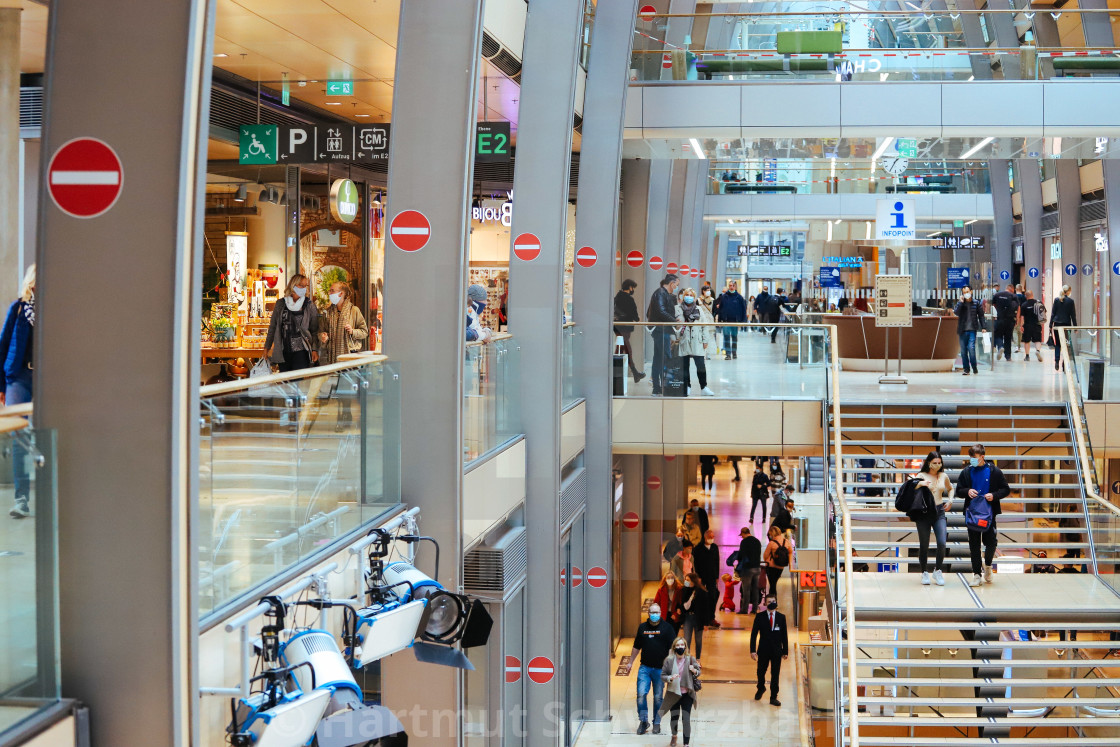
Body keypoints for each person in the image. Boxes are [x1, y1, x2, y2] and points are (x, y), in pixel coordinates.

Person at [1, 265, 35, 518]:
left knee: (50, 432)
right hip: (19, 376)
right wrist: (1, 386)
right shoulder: (19, 308)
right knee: (19, 434)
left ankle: (52, 495)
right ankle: (21, 499)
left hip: (49, 377)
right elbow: (3, 347)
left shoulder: (60, 309)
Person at [955, 444, 1010, 587]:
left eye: (974, 458)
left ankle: (988, 565)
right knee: (974, 545)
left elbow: (1005, 489)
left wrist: (994, 495)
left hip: (989, 513)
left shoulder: (994, 471)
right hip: (972, 513)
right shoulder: (966, 472)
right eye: (970, 458)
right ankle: (976, 574)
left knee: (991, 542)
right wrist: (967, 491)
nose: (972, 460)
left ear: (982, 457)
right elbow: (959, 491)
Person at [318, 281, 369, 428]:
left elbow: (364, 332)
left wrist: (353, 331)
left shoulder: (354, 311)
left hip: (349, 356)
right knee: (339, 389)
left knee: (346, 388)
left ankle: (345, 415)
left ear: (341, 293)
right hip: (334, 356)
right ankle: (343, 415)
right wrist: (323, 336)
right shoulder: (328, 312)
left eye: (332, 290)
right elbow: (321, 331)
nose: (329, 292)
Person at [629, 603, 676, 735]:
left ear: (660, 612)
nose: (655, 614)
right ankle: (644, 721)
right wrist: (630, 662)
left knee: (658, 697)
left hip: (660, 669)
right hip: (645, 668)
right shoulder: (642, 627)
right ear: (648, 613)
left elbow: (671, 649)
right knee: (641, 694)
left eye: (657, 612)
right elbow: (636, 646)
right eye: (652, 612)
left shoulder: (667, 628)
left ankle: (657, 722)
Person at [913, 450, 953, 586]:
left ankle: (938, 570)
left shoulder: (943, 476)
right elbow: (911, 488)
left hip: (939, 511)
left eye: (939, 463)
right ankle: (924, 571)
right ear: (929, 463)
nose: (937, 465)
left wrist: (950, 500)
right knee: (924, 544)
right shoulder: (921, 475)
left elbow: (951, 488)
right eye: (935, 463)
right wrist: (920, 484)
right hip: (924, 513)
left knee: (942, 542)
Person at [265, 273, 320, 372]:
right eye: (301, 286)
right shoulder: (281, 304)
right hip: (283, 351)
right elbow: (273, 327)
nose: (304, 288)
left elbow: (314, 330)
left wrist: (315, 349)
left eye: (305, 286)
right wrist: (266, 347)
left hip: (301, 352)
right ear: (293, 285)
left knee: (297, 383)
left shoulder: (309, 305)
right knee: (285, 383)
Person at [658, 637, 701, 746]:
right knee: (674, 717)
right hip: (674, 694)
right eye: (678, 645)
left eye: (682, 645)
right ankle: (674, 736)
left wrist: (694, 670)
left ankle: (686, 743)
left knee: (686, 718)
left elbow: (698, 672)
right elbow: (663, 676)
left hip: (687, 694)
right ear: (674, 647)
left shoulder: (690, 659)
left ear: (685, 647)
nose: (680, 647)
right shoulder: (669, 660)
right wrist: (670, 678)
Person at [675, 287, 716, 396]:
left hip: (697, 341)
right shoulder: (678, 308)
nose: (689, 297)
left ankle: (704, 387)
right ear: (684, 297)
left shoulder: (699, 308)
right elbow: (674, 325)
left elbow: (704, 325)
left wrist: (705, 340)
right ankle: (687, 386)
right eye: (687, 295)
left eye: (691, 295)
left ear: (694, 297)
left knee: (701, 365)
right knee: (684, 365)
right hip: (684, 340)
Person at [750, 594, 789, 706]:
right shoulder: (759, 616)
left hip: (777, 650)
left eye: (773, 601)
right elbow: (753, 635)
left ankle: (773, 697)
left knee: (775, 674)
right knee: (760, 672)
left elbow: (784, 635)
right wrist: (753, 650)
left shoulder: (781, 617)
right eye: (769, 601)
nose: (771, 603)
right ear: (765, 604)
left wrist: (785, 651)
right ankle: (761, 687)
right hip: (763, 649)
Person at [647, 274, 680, 395]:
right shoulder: (661, 293)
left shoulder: (663, 294)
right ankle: (664, 387)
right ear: (672, 283)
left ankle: (657, 388)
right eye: (676, 284)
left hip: (661, 330)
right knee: (665, 358)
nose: (676, 287)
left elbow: (650, 312)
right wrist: (673, 321)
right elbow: (661, 311)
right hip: (661, 330)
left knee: (658, 359)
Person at [614, 279, 646, 383]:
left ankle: (632, 372)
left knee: (621, 348)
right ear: (630, 287)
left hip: (617, 326)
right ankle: (633, 371)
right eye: (633, 287)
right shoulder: (629, 299)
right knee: (626, 348)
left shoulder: (617, 297)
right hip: (625, 327)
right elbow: (634, 315)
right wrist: (637, 318)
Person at [728, 525, 763, 614]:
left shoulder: (744, 542)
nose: (742, 537)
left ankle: (744, 609)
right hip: (757, 568)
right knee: (755, 589)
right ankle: (754, 609)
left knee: (746, 589)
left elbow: (742, 555)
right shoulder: (757, 541)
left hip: (747, 569)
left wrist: (736, 559)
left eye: (742, 535)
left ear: (744, 533)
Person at [693, 529, 721, 629]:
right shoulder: (698, 549)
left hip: (712, 577)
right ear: (705, 537)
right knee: (702, 597)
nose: (712, 539)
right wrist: (698, 577)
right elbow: (696, 564)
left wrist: (717, 576)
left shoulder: (714, 547)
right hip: (702, 577)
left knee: (713, 596)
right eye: (710, 537)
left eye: (713, 537)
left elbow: (717, 561)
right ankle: (702, 617)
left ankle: (711, 617)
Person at [679, 573, 711, 660]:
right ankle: (687, 659)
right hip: (687, 618)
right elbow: (681, 603)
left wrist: (706, 623)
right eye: (685, 580)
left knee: (698, 640)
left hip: (698, 618)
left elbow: (706, 609)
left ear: (693, 581)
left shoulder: (701, 592)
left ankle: (698, 659)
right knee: (687, 639)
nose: (686, 582)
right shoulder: (683, 590)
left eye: (688, 580)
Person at [954, 285, 984, 376]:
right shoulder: (961, 303)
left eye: (967, 292)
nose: (966, 294)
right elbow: (956, 312)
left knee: (971, 348)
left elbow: (981, 316)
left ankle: (974, 367)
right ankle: (966, 369)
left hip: (972, 330)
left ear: (971, 291)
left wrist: (984, 327)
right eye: (964, 292)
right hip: (962, 330)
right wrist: (960, 302)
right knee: (963, 351)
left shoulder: (976, 303)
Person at [715, 280, 747, 359]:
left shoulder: (739, 297)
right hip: (726, 320)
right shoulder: (724, 297)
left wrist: (743, 320)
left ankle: (734, 352)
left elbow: (743, 309)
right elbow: (721, 309)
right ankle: (728, 354)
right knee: (726, 336)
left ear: (735, 286)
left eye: (732, 285)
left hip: (735, 321)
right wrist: (719, 320)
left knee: (734, 337)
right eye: (730, 285)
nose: (731, 287)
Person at [1049, 284, 1077, 373]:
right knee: (1066, 344)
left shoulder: (1057, 300)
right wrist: (1075, 327)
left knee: (1057, 344)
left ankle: (1057, 361)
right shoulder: (1071, 301)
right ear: (1068, 291)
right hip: (1066, 325)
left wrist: (1050, 325)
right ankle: (1065, 364)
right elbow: (1073, 315)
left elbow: (1053, 313)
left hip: (1057, 324)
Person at [991, 283, 1020, 362]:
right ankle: (1008, 356)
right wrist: (1017, 319)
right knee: (1008, 337)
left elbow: (993, 305)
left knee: (998, 335)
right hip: (1010, 320)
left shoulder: (997, 295)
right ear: (1012, 289)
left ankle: (1000, 347)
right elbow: (1018, 308)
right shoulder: (1014, 296)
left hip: (999, 318)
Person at [763, 525, 792, 594]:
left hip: (771, 566)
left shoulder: (772, 543)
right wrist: (790, 565)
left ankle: (773, 601)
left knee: (772, 584)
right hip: (780, 566)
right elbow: (790, 552)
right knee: (774, 583)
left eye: (770, 534)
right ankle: (772, 600)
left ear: (772, 534)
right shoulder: (787, 542)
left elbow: (765, 555)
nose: (770, 536)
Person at [1019, 289, 1044, 362]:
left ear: (1026, 296)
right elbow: (1043, 313)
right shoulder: (1038, 303)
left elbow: (1022, 317)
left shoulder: (1024, 305)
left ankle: (1027, 356)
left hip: (1027, 325)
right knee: (1037, 340)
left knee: (1027, 341)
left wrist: (1021, 326)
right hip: (1037, 324)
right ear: (1032, 295)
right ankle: (1038, 351)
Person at [699, 285, 717, 359]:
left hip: (710, 321)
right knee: (701, 336)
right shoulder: (698, 300)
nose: (708, 291)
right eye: (707, 290)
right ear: (703, 291)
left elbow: (715, 311)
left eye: (709, 290)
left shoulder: (713, 300)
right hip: (701, 320)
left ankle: (708, 353)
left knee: (709, 337)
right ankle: (702, 352)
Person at [1013, 283, 1026, 352]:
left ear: (1016, 289)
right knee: (1020, 331)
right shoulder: (1024, 297)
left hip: (1015, 315)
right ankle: (1019, 346)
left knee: (1014, 330)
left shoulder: (1014, 296)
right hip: (1022, 316)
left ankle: (1016, 346)